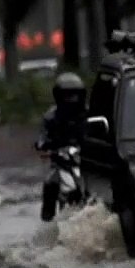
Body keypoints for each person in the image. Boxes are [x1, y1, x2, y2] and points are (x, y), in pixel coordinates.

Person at [34, 72, 87, 222]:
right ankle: (48, 217)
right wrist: (44, 147)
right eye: (68, 96)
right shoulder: (51, 117)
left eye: (75, 95)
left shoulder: (88, 114)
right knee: (50, 182)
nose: (72, 100)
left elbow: (99, 133)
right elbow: (42, 139)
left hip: (86, 161)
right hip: (61, 163)